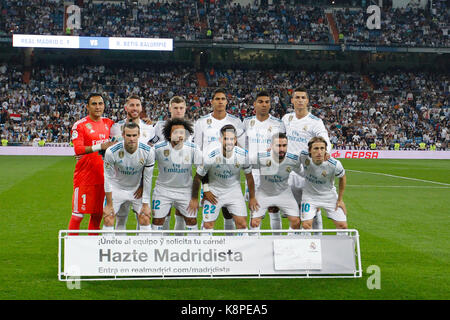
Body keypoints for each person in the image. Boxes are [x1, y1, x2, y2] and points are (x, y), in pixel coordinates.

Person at [189, 124, 258, 235]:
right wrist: (197, 196)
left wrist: (252, 198)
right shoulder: (211, 156)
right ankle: (206, 250)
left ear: (235, 140)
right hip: (214, 191)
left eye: (232, 139)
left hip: (233, 191)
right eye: (226, 138)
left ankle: (241, 251)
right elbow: (198, 177)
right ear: (221, 139)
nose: (229, 142)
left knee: (242, 224)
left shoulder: (243, 155)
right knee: (208, 225)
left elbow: (249, 177)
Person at [193, 88, 245, 232]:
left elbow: (241, 148)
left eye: (223, 99)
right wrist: (205, 184)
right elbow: (197, 151)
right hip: (209, 176)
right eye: (217, 99)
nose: (220, 101)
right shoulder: (202, 122)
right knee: (209, 218)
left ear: (227, 102)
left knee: (229, 214)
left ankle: (228, 248)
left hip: (230, 176)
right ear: (212, 102)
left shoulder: (235, 121)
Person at [282, 87, 332, 231]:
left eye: (303, 98)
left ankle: (317, 240)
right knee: (293, 210)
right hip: (290, 171)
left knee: (313, 209)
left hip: (308, 170)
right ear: (292, 100)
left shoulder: (315, 122)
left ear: (307, 101)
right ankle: (296, 241)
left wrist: (326, 152)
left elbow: (324, 139)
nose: (300, 100)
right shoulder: (286, 118)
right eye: (297, 97)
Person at [68, 93, 115, 235]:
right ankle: (72, 249)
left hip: (103, 178)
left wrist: (146, 123)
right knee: (78, 215)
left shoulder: (109, 124)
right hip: (85, 178)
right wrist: (100, 146)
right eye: (94, 104)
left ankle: (91, 249)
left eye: (100, 103)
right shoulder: (80, 125)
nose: (98, 107)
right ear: (87, 107)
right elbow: (78, 149)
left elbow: (126, 132)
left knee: (97, 215)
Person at [109, 95, 155, 230]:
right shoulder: (116, 128)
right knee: (120, 218)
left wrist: (143, 185)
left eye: (137, 105)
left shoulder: (149, 128)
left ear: (141, 108)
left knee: (143, 218)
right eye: (132, 105)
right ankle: (118, 250)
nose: (135, 108)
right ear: (126, 107)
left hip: (140, 182)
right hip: (120, 181)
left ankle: (141, 250)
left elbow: (153, 155)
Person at [149, 118, 202, 235]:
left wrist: (195, 198)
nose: (179, 135)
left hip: (185, 191)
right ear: (168, 135)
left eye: (182, 132)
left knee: (191, 220)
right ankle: (154, 249)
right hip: (163, 190)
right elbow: (144, 167)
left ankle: (194, 250)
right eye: (175, 132)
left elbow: (201, 173)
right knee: (157, 220)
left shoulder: (193, 149)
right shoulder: (158, 149)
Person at [243, 90, 285, 232]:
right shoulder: (247, 122)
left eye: (267, 102)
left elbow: (284, 146)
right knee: (254, 208)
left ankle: (276, 241)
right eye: (260, 102)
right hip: (253, 172)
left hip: (272, 170)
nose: (264, 104)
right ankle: (254, 242)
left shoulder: (278, 124)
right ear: (254, 104)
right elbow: (243, 145)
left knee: (274, 208)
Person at [102, 122, 155, 234]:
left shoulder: (148, 152)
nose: (132, 138)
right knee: (108, 217)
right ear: (123, 135)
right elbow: (108, 178)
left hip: (136, 190)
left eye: (134, 135)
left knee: (145, 217)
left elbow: (147, 178)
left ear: (139, 135)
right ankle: (108, 250)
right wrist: (109, 204)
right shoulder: (111, 152)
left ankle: (146, 250)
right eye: (128, 135)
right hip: (116, 188)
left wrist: (145, 204)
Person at [150, 96, 191, 232]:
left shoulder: (192, 127)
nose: (178, 111)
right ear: (169, 108)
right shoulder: (159, 126)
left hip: (185, 182)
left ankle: (178, 247)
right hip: (165, 182)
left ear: (185, 109)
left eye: (181, 108)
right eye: (175, 108)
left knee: (181, 216)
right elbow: (151, 146)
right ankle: (164, 244)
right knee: (163, 216)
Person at [250, 133, 301, 234]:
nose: (281, 149)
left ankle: (284, 244)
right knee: (254, 223)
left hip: (284, 193)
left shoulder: (293, 159)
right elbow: (246, 167)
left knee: (296, 222)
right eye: (278, 145)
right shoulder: (261, 157)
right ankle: (255, 245)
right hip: (264, 193)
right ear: (271, 146)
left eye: (284, 145)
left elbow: (303, 172)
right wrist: (252, 196)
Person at [299, 137, 348, 231]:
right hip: (310, 196)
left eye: (322, 148)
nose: (319, 152)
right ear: (309, 150)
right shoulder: (303, 156)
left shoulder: (334, 164)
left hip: (329, 196)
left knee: (343, 226)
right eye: (316, 148)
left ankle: (341, 245)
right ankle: (309, 245)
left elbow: (343, 177)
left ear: (326, 150)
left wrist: (340, 199)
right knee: (306, 225)